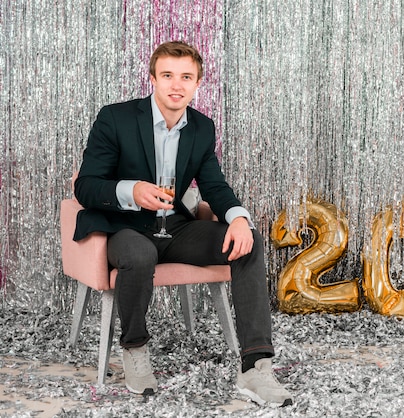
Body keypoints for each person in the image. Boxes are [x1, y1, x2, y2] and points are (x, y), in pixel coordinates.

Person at [73, 41, 293, 407]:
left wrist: (238, 217)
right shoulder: (115, 118)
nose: (177, 85)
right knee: (139, 254)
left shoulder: (202, 128)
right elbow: (86, 185)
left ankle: (255, 368)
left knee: (248, 241)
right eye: (168, 75)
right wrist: (132, 189)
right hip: (123, 227)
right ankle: (135, 348)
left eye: (186, 77)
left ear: (197, 84)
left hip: (174, 227)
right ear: (153, 79)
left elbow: (214, 186)